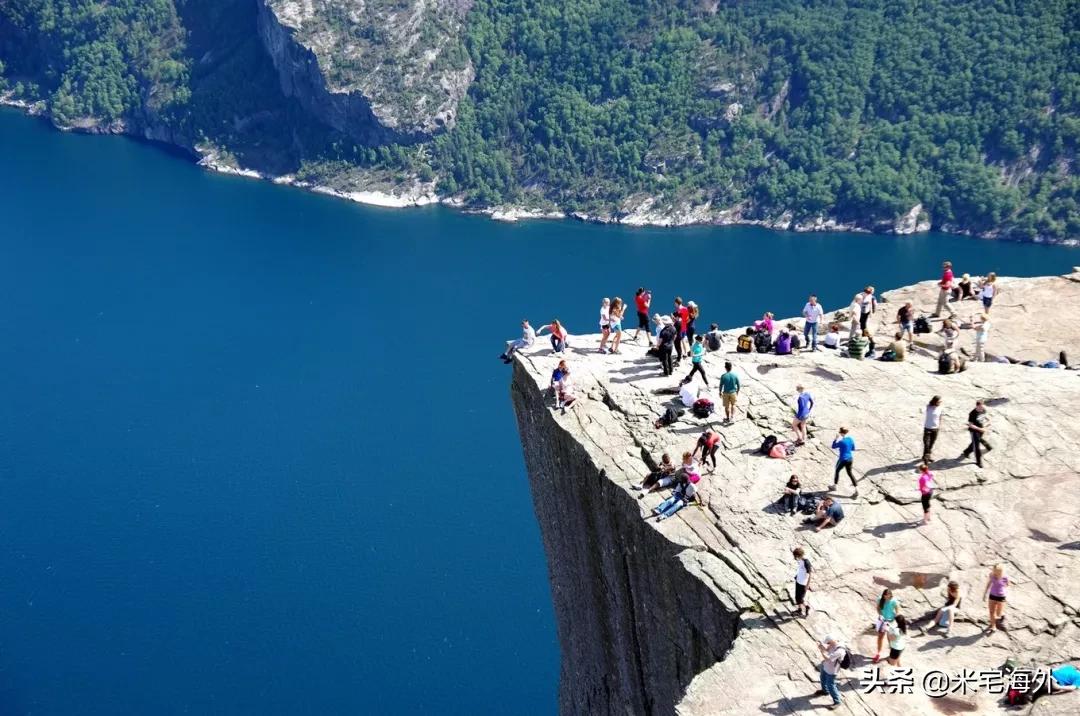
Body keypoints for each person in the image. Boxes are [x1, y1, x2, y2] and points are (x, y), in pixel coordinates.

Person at [960, 400, 992, 468]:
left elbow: (985, 416)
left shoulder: (983, 409)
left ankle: (966, 451)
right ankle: (979, 462)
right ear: (977, 406)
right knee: (977, 447)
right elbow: (971, 425)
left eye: (982, 407)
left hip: (981, 429)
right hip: (974, 431)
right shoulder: (972, 413)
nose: (981, 409)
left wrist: (987, 422)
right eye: (980, 408)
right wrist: (981, 429)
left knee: (975, 442)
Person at [873, 588, 901, 663]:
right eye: (885, 596)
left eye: (888, 595)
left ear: (891, 595)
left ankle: (892, 654)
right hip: (882, 620)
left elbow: (897, 610)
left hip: (891, 621)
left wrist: (895, 618)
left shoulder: (894, 601)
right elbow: (878, 608)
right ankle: (878, 653)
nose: (887, 597)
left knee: (890, 638)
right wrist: (880, 614)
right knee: (880, 637)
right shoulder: (880, 599)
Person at [816, 635, 846, 709]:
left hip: (832, 670)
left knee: (831, 685)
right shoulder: (833, 644)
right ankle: (824, 691)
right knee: (822, 678)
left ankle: (837, 701)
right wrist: (822, 646)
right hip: (825, 666)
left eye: (828, 643)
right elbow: (827, 648)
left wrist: (821, 651)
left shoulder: (840, 651)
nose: (828, 644)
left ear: (832, 641)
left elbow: (828, 658)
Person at [831, 428, 857, 496]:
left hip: (842, 459)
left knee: (837, 470)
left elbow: (833, 446)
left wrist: (835, 438)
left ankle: (835, 486)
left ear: (841, 433)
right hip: (850, 459)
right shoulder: (850, 439)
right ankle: (857, 490)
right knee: (850, 474)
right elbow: (853, 449)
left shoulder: (841, 442)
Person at [984, 564, 1009, 631]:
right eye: (994, 571)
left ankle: (1002, 615)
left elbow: (1008, 584)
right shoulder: (991, 575)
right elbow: (989, 583)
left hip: (1001, 597)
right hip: (992, 596)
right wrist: (985, 594)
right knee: (991, 612)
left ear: (1000, 571)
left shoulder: (1005, 577)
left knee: (998, 614)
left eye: (996, 571)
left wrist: (1002, 590)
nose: (994, 573)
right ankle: (993, 626)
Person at [792, 547, 812, 616]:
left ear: (799, 555)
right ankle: (799, 609)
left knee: (800, 598)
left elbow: (809, 574)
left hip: (803, 584)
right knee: (797, 597)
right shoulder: (801, 560)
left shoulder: (806, 562)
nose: (795, 558)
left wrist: (807, 585)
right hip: (798, 581)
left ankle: (806, 607)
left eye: (796, 556)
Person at [923, 396, 943, 463]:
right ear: (935, 401)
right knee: (926, 444)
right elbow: (925, 408)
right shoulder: (928, 407)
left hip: (935, 429)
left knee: (931, 444)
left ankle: (926, 456)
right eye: (939, 401)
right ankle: (926, 458)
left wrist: (939, 426)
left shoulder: (940, 408)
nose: (940, 402)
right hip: (927, 428)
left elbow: (940, 417)